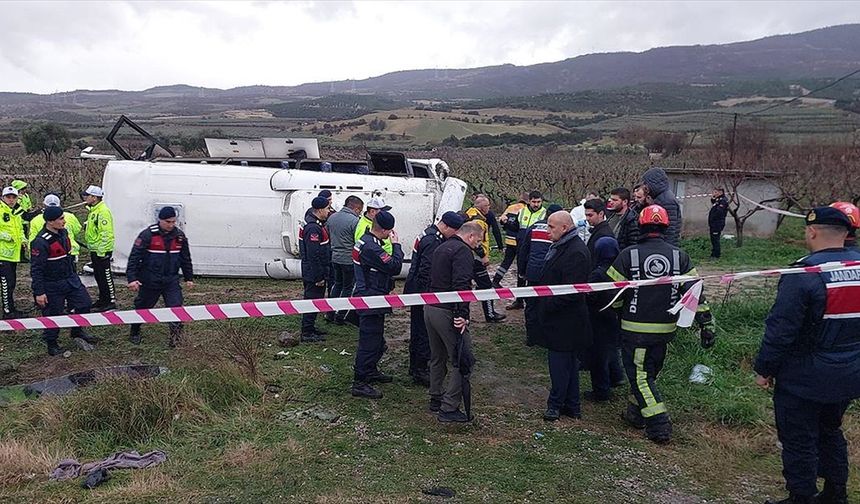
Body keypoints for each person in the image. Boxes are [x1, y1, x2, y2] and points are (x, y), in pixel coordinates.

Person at [755, 207, 860, 504]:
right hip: (850, 370)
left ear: (812, 231)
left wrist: (764, 369)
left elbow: (781, 329)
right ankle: (836, 493)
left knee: (799, 438)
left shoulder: (805, 272)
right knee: (830, 430)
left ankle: (801, 496)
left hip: (805, 375)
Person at [606, 205, 715, 444]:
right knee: (648, 373)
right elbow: (696, 294)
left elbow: (611, 294)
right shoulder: (680, 256)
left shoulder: (628, 255)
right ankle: (635, 414)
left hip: (635, 330)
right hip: (665, 330)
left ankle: (659, 424)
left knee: (640, 377)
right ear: (666, 228)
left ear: (640, 226)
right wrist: (707, 325)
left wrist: (618, 314)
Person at [535, 211, 593, 421]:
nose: (547, 231)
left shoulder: (576, 252)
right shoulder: (561, 246)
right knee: (567, 364)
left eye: (551, 227)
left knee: (560, 365)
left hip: (566, 320)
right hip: (560, 318)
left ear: (564, 228)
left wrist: (547, 304)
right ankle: (572, 405)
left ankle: (555, 405)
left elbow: (572, 292)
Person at [425, 221, 483, 423]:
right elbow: (461, 284)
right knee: (463, 359)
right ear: (470, 236)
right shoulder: (463, 252)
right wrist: (462, 314)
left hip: (430, 307)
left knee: (437, 356)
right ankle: (449, 407)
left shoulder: (442, 246)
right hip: (447, 311)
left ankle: (436, 396)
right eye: (478, 239)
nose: (479, 244)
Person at [404, 211, 463, 387]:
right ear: (445, 226)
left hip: (418, 290)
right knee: (422, 331)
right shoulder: (432, 240)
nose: (455, 235)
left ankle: (416, 365)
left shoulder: (431, 234)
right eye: (454, 230)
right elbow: (426, 271)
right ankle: (420, 370)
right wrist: (431, 296)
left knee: (419, 329)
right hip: (422, 292)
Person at [30, 206, 97, 356]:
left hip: (69, 279)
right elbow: (36, 270)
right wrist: (39, 292)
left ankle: (77, 331)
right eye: (61, 219)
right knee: (54, 314)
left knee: (84, 303)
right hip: (52, 284)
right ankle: (52, 343)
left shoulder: (63, 233)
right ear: (50, 222)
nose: (64, 221)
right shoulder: (40, 242)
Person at [351, 211, 403, 399]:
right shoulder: (371, 248)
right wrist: (396, 245)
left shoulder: (367, 240)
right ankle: (360, 382)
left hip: (373, 296)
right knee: (370, 342)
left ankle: (370, 370)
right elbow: (394, 266)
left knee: (377, 340)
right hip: (370, 299)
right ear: (386, 230)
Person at [126, 206, 194, 347]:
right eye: (168, 222)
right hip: (150, 279)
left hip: (171, 280)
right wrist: (132, 278)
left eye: (173, 222)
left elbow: (185, 258)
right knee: (143, 306)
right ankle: (135, 330)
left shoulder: (179, 237)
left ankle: (176, 338)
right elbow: (134, 257)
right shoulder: (147, 235)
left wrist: (189, 278)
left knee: (175, 307)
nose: (171, 225)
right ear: (160, 220)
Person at [583, 199, 624, 401]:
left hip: (599, 313)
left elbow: (593, 294)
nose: (587, 219)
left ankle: (601, 390)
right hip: (613, 314)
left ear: (601, 214)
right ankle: (616, 376)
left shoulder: (599, 273)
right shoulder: (616, 270)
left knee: (599, 352)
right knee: (610, 346)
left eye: (590, 215)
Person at [517, 203, 563, 346]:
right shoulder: (560, 231)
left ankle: (532, 337)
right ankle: (546, 336)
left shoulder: (534, 227)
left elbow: (524, 251)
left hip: (533, 272)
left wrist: (522, 270)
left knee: (531, 305)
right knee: (547, 304)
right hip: (549, 273)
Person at [466, 195, 505, 322]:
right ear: (482, 207)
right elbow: (476, 242)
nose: (489, 208)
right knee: (487, 287)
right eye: (488, 206)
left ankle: (464, 315)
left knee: (465, 286)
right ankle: (490, 314)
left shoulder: (469, 213)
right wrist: (483, 256)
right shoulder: (479, 221)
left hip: (466, 258)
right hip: (476, 259)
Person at [299, 196, 332, 342]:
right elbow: (314, 254)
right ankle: (307, 332)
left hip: (313, 270)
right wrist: (319, 276)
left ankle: (310, 327)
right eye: (327, 209)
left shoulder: (314, 223)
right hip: (314, 273)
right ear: (319, 210)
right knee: (311, 300)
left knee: (315, 301)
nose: (328, 211)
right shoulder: (313, 228)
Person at [326, 195, 363, 324]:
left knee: (337, 285)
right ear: (356, 208)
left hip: (335, 257)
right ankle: (340, 315)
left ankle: (329, 312)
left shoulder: (332, 218)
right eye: (360, 210)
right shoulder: (355, 221)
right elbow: (357, 240)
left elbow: (328, 235)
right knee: (348, 287)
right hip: (348, 259)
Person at [83, 185, 117, 311]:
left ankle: (110, 301)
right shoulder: (93, 211)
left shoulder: (103, 212)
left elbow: (107, 234)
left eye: (88, 195)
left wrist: (102, 252)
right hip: (95, 250)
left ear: (94, 197)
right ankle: (103, 299)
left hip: (102, 251)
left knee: (106, 276)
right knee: (99, 276)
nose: (85, 198)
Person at [491, 195, 528, 306]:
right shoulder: (525, 210)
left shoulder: (511, 207)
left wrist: (506, 224)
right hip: (519, 241)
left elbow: (502, 220)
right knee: (520, 266)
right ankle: (520, 294)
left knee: (506, 262)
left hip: (509, 240)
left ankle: (496, 280)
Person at [28, 194, 82, 260]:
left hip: (47, 254)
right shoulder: (70, 216)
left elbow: (32, 240)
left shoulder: (35, 220)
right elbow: (77, 230)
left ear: (44, 205)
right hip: (71, 251)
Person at [641, 168, 682, 246]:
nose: (645, 187)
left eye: (646, 184)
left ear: (653, 183)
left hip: (664, 245)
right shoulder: (659, 197)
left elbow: (671, 229)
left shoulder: (667, 200)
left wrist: (667, 249)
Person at [0, 186, 24, 319]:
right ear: (3, 198)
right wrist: (6, 237)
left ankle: (11, 307)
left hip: (13, 254)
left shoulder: (15, 212)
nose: (11, 199)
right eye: (8, 197)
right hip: (2, 254)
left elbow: (19, 230)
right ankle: (7, 312)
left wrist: (23, 239)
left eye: (13, 197)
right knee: (6, 283)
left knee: (12, 282)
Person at [708, 188, 729, 258]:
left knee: (715, 239)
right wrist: (713, 198)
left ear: (720, 192)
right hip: (713, 223)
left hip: (717, 223)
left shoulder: (723, 200)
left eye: (716, 192)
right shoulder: (719, 200)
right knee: (713, 239)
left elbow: (719, 211)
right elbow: (714, 203)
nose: (714, 193)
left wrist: (713, 217)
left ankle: (716, 255)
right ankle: (713, 253)